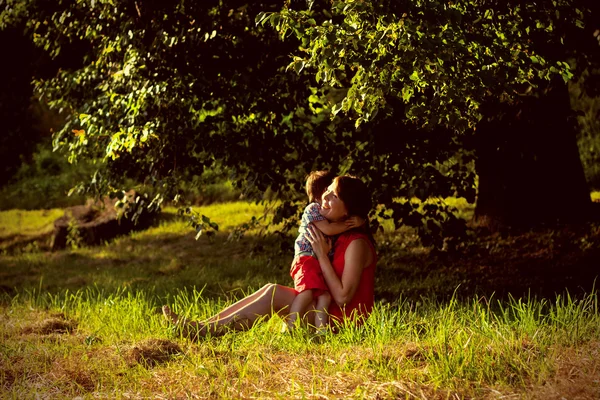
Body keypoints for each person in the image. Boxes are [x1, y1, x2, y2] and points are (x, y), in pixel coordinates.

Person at [162, 175, 377, 338]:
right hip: (324, 309)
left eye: (335, 195)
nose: (326, 196)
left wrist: (320, 255)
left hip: (340, 322)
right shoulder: (338, 233)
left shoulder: (357, 244)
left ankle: (205, 332)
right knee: (270, 289)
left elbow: (343, 297)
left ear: (349, 211)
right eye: (328, 190)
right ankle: (202, 326)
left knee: (273, 295)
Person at [287, 170, 363, 331]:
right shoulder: (313, 210)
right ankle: (289, 327)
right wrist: (351, 223)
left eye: (332, 194)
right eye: (326, 193)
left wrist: (360, 220)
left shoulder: (353, 238)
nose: (326, 198)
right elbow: (328, 230)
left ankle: (321, 331)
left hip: (315, 260)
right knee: (307, 293)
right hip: (306, 258)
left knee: (325, 296)